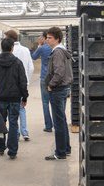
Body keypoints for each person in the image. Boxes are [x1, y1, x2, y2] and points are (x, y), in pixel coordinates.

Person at [0, 38, 28, 159]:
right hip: (14, 98)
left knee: (0, 124)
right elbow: (23, 81)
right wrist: (25, 96)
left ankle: (1, 147)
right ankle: (13, 150)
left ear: (2, 47)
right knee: (13, 123)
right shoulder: (17, 63)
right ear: (12, 48)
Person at [43, 26, 73, 161]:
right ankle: (65, 148)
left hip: (58, 90)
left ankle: (60, 152)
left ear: (57, 39)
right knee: (62, 120)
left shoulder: (57, 52)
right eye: (47, 37)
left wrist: (51, 85)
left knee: (58, 122)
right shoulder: (61, 51)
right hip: (63, 89)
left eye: (50, 38)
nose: (47, 40)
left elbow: (59, 72)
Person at [4, 30, 33, 142]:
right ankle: (25, 132)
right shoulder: (25, 50)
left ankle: (15, 133)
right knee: (22, 108)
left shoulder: (8, 51)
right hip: (23, 83)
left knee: (12, 110)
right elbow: (31, 67)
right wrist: (27, 80)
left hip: (11, 84)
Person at [31, 32, 54, 132]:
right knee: (55, 102)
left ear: (44, 38)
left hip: (44, 77)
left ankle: (48, 126)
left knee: (45, 102)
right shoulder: (54, 48)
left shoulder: (42, 48)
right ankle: (57, 124)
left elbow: (34, 56)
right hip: (54, 77)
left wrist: (39, 45)